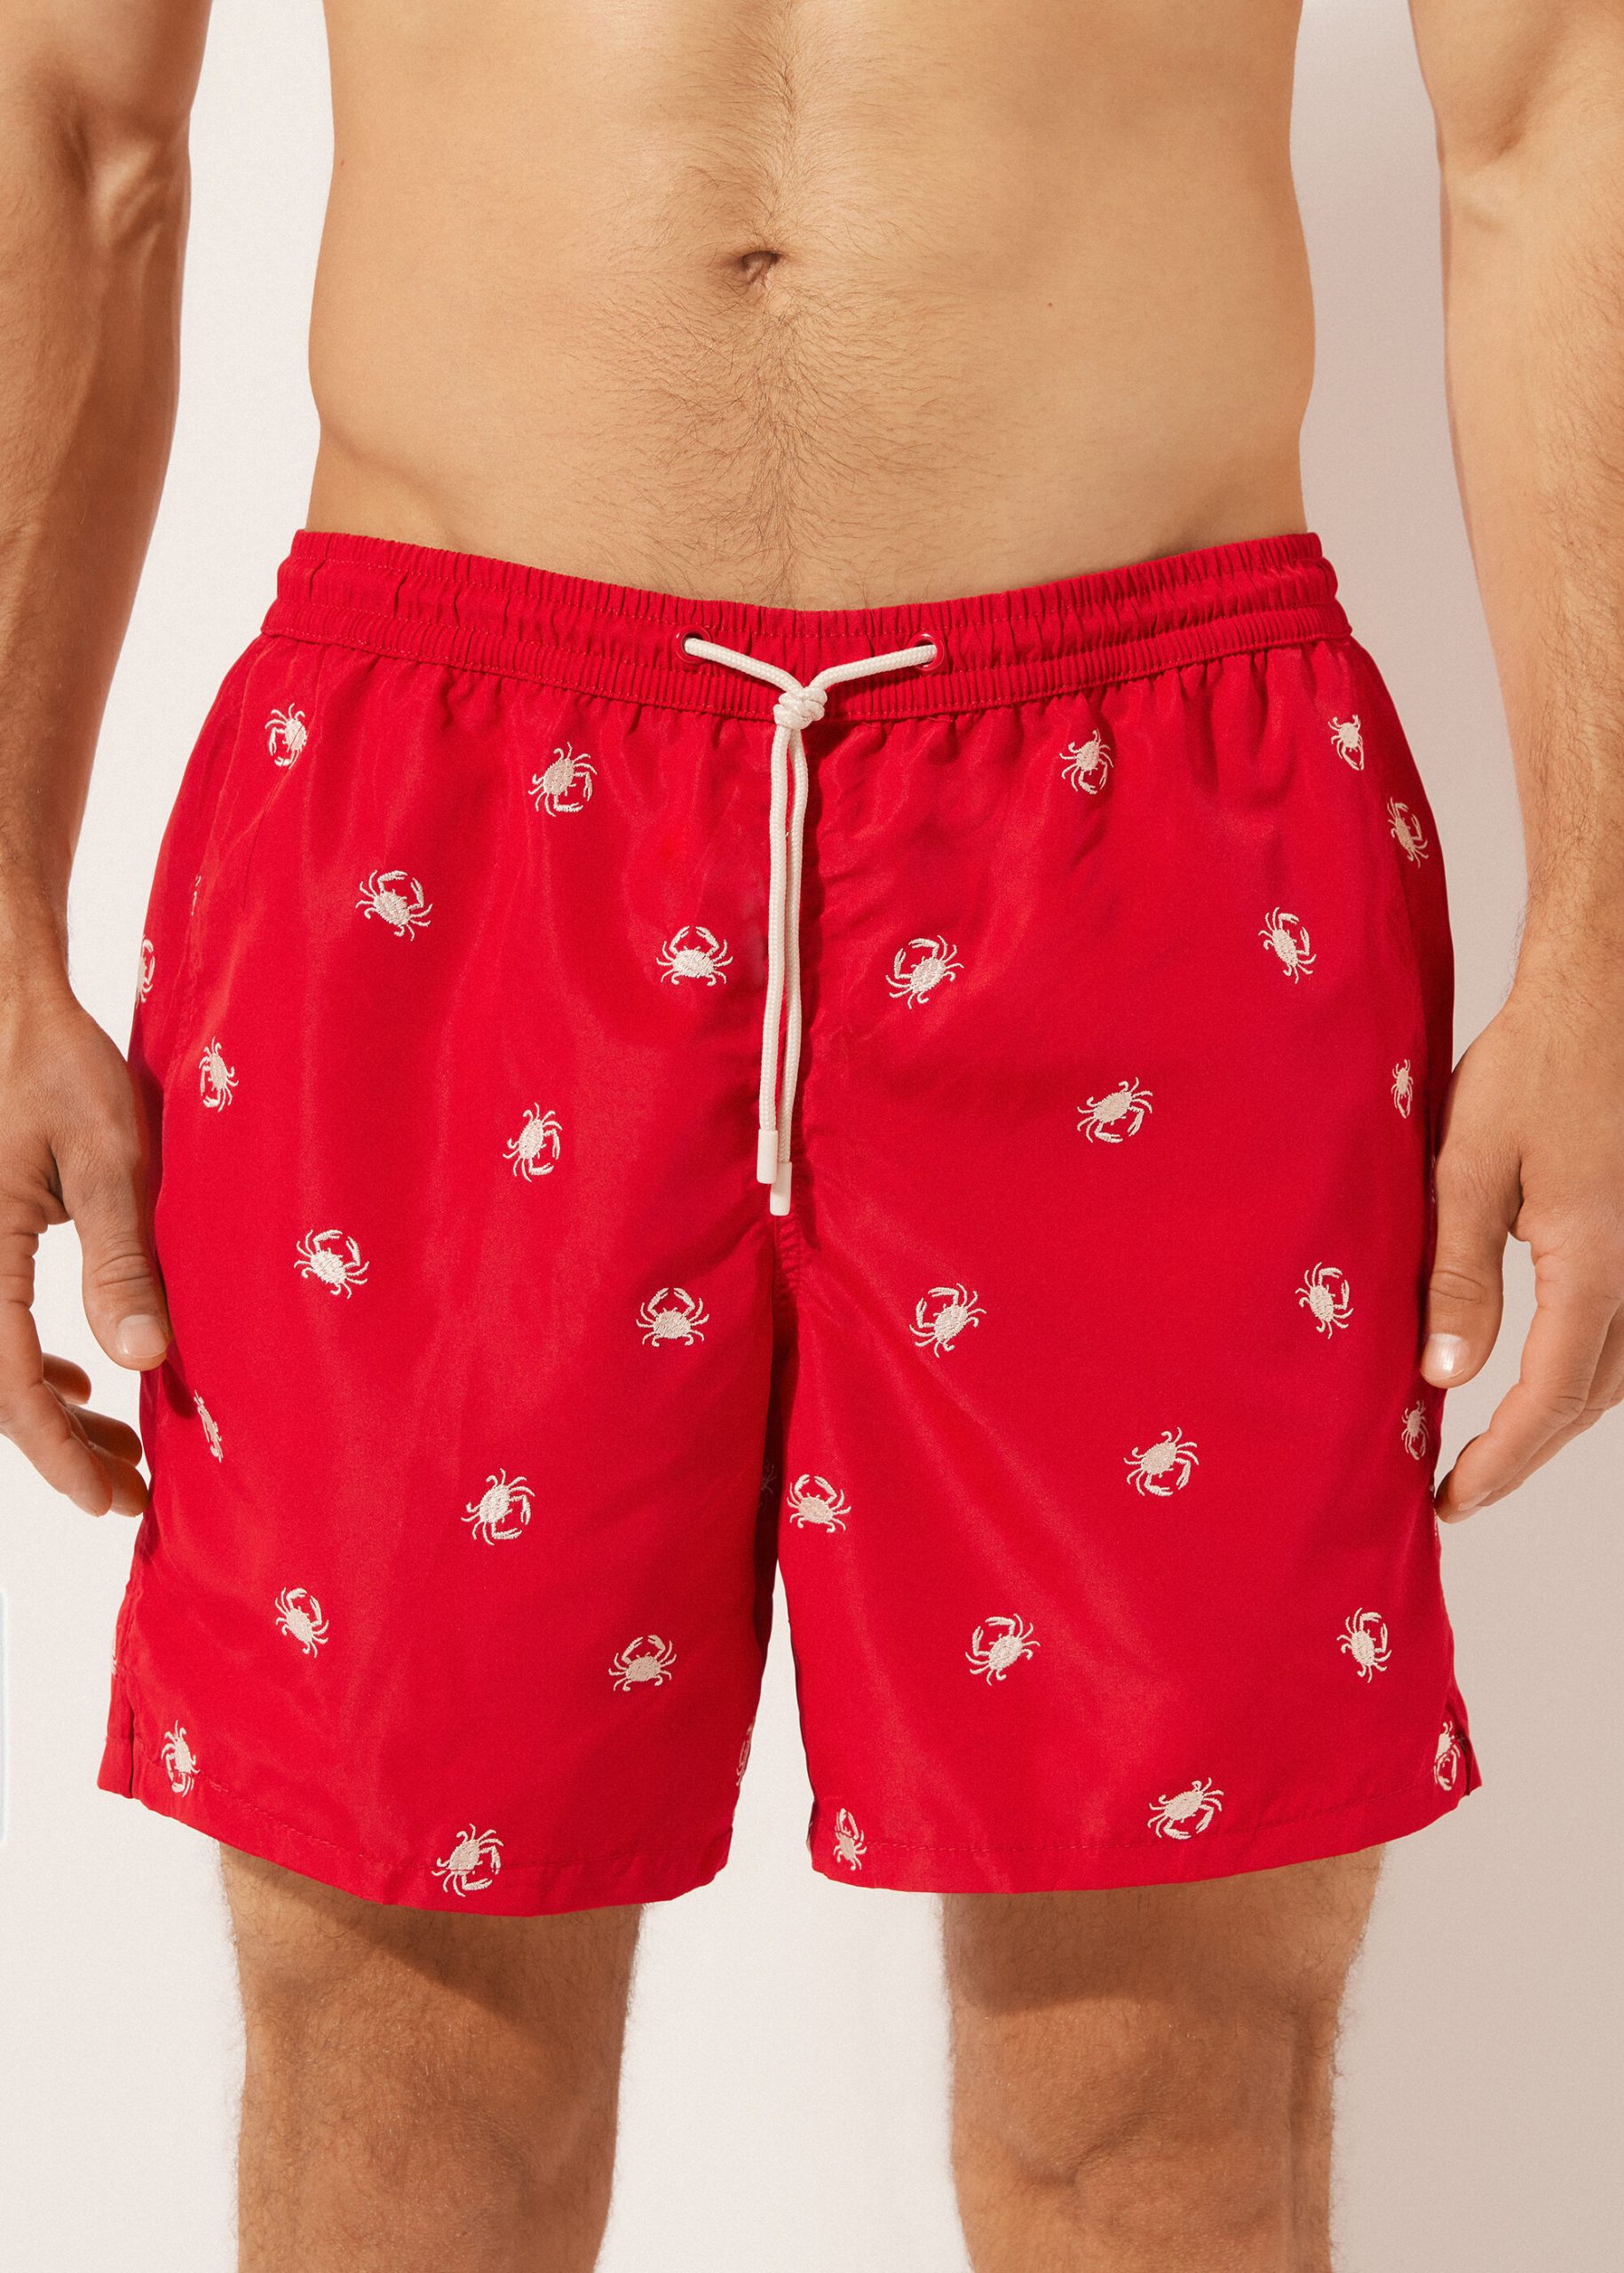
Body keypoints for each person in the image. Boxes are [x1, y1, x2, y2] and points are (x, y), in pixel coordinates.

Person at [4, 4, 1621, 2267]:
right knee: (410, 2098)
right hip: (443, 824)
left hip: (1155, 820)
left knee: (1156, 2121)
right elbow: (74, 123)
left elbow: (1559, 112)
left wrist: (1607, 940)